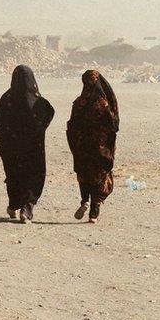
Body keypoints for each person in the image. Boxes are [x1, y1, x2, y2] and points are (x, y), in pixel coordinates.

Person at [0, 65, 55, 224]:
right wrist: (39, 130)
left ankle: (14, 205)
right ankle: (27, 209)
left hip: (11, 147)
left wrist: (7, 135)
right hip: (32, 147)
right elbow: (49, 112)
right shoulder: (36, 99)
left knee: (14, 174)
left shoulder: (7, 99)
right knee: (33, 173)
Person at [66, 70, 119, 223]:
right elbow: (113, 125)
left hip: (82, 147)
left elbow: (72, 125)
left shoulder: (78, 102)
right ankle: (94, 213)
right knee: (99, 176)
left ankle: (84, 201)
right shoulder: (102, 103)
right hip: (99, 148)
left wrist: (76, 142)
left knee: (84, 174)